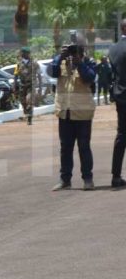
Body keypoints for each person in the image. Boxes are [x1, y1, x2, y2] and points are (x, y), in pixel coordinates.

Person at [49, 33, 97, 190]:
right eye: (70, 46)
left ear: (83, 47)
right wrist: (60, 57)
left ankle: (88, 179)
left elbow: (90, 78)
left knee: (84, 147)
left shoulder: (89, 62)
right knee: (65, 148)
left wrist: (79, 63)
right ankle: (65, 180)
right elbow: (52, 72)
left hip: (83, 113)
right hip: (65, 112)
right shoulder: (61, 62)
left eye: (76, 46)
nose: (73, 48)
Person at [108, 19, 126, 188]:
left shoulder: (113, 48)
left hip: (121, 97)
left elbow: (112, 75)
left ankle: (116, 176)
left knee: (121, 135)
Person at [14, 48, 39, 123]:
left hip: (31, 84)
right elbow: (15, 75)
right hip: (22, 85)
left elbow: (39, 75)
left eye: (24, 53)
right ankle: (27, 114)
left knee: (29, 100)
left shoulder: (34, 63)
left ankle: (29, 118)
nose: (22, 54)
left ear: (28, 53)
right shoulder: (18, 64)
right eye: (22, 53)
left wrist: (40, 87)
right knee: (23, 102)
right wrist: (15, 85)